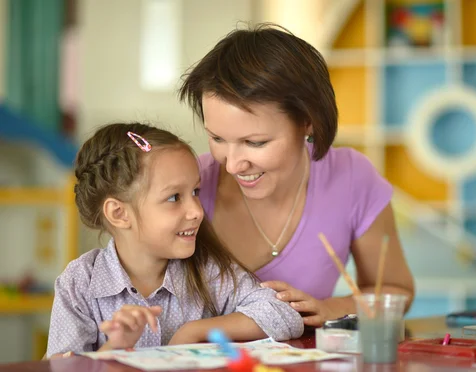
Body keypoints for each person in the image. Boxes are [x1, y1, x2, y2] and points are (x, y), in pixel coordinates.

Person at [178, 23, 415, 328]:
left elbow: (396, 292)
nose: (233, 164)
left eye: (255, 142)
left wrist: (331, 308)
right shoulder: (186, 184)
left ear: (307, 121)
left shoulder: (352, 177)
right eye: (218, 139)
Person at [46, 122, 303, 358]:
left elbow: (284, 315)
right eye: (174, 198)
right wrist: (115, 346)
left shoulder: (208, 271)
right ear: (119, 213)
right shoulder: (79, 283)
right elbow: (60, 367)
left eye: (195, 192)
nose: (197, 211)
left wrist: (195, 331)